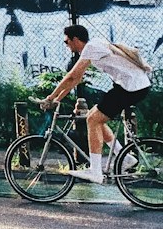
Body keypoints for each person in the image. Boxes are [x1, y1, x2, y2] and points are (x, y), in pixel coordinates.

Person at [41, 25, 151, 182]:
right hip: (132, 85)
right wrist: (57, 99)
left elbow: (72, 76)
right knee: (94, 115)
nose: (66, 45)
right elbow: (76, 78)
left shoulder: (90, 48)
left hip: (131, 87)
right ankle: (124, 157)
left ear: (75, 40)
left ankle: (95, 171)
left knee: (93, 120)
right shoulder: (93, 46)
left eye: (66, 41)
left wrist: (50, 97)